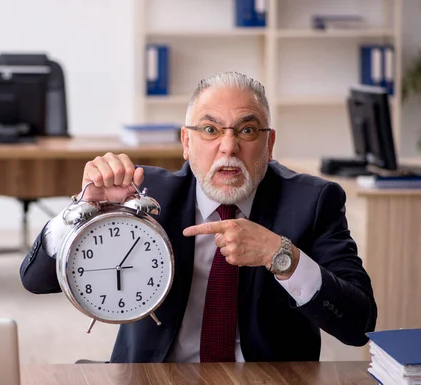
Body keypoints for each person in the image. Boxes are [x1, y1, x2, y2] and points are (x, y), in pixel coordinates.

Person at [20, 71, 377, 363]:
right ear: (186, 143)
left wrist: (280, 255)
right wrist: (82, 211)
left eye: (246, 130)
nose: (228, 146)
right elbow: (36, 280)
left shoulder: (313, 201)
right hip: (155, 382)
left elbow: (359, 325)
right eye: (210, 130)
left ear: (269, 145)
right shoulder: (143, 195)